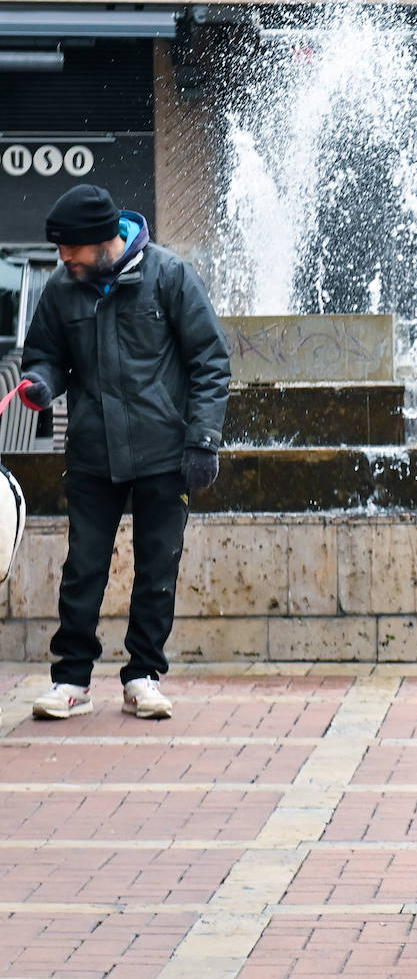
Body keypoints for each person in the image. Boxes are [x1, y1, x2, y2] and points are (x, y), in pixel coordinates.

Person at [20, 183, 231, 721]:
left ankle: (142, 676)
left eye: (70, 248)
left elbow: (210, 362)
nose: (62, 258)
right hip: (92, 452)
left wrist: (203, 442)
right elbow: (43, 355)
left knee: (157, 568)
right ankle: (71, 681)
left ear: (102, 239)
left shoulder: (170, 276)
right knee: (83, 569)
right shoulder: (63, 288)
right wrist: (40, 384)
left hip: (165, 453)